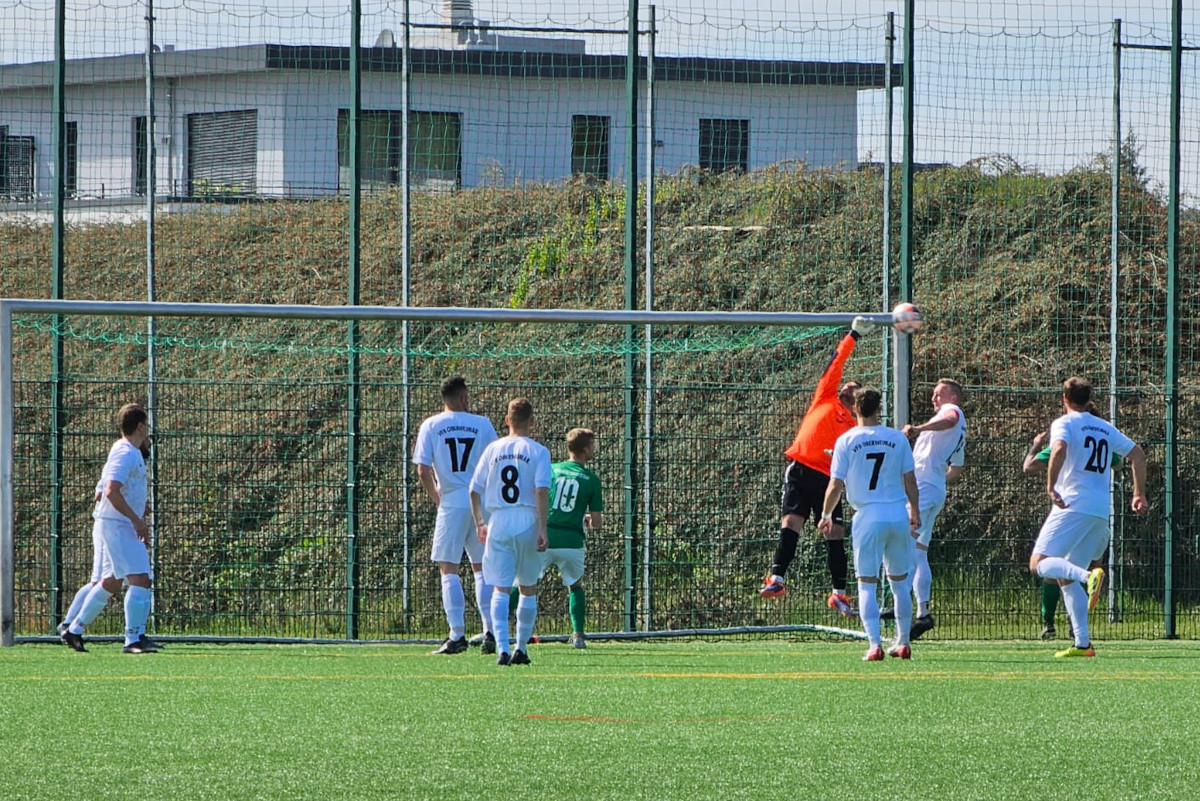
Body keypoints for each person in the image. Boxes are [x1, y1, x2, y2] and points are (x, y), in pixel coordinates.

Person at [761, 316, 875, 616]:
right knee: (791, 523)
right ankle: (776, 578)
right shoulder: (825, 397)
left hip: (829, 480)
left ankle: (839, 594)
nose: (848, 384)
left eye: (854, 386)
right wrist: (853, 335)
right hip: (801, 469)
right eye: (847, 384)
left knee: (835, 531)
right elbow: (835, 364)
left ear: (859, 399)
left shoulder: (855, 425)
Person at [1028, 377, 1148, 658]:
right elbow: (1138, 456)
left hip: (1072, 505)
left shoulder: (1065, 423)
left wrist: (1051, 486)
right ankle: (1083, 643)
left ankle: (1088, 575)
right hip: (1099, 510)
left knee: (1039, 564)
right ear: (1088, 398)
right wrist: (1138, 493)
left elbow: (1058, 449)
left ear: (1065, 398)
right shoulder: (1104, 427)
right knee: (1064, 576)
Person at [819, 387, 921, 660]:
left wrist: (826, 515)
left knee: (867, 583)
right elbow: (910, 479)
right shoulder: (897, 438)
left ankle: (875, 644)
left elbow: (835, 484)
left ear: (854, 408)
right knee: (900, 583)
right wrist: (916, 512)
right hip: (897, 514)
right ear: (879, 409)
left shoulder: (846, 440)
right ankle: (903, 641)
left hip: (867, 516)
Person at [61, 403, 159, 654]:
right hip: (118, 525)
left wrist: (138, 507)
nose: (148, 429)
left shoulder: (129, 451)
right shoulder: (125, 452)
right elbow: (109, 491)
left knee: (110, 581)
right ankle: (133, 640)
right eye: (146, 424)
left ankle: (74, 629)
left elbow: (108, 491)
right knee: (141, 579)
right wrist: (136, 519)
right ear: (139, 426)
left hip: (116, 523)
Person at [413, 376, 499, 656]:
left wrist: (438, 498)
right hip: (479, 501)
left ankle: (457, 634)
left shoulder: (431, 425)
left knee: (449, 568)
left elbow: (423, 470)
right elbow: (495, 462)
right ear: (463, 397)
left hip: (450, 502)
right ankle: (490, 632)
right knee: (482, 568)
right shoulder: (482, 424)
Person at [469, 398, 552, 666]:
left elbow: (474, 489)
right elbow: (541, 490)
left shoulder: (493, 449)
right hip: (527, 518)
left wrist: (481, 522)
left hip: (500, 520)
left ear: (506, 421)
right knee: (528, 587)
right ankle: (522, 649)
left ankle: (502, 649)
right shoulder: (539, 451)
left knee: (500, 588)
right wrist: (542, 528)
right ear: (533, 422)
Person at [1023, 423, 1122, 640]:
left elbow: (1029, 466)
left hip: (1072, 511)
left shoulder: (1070, 439)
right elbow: (1119, 462)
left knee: (1047, 566)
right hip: (1101, 514)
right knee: (1071, 573)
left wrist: (1035, 446)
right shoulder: (1102, 438)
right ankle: (1079, 636)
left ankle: (1049, 623)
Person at [893, 378, 966, 640]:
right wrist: (935, 478)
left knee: (903, 544)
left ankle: (901, 602)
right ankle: (923, 612)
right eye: (934, 394)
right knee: (919, 551)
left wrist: (918, 428)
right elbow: (955, 470)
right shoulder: (955, 430)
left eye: (939, 393)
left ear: (953, 397)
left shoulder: (953, 414)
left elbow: (949, 419)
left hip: (923, 491)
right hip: (933, 489)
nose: (934, 398)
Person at [543, 428, 604, 649]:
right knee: (575, 586)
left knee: (523, 584)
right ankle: (578, 634)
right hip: (572, 542)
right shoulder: (591, 479)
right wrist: (587, 518)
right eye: (593, 446)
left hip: (545, 536)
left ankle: (492, 629)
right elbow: (596, 523)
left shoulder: (551, 470)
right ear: (586, 448)